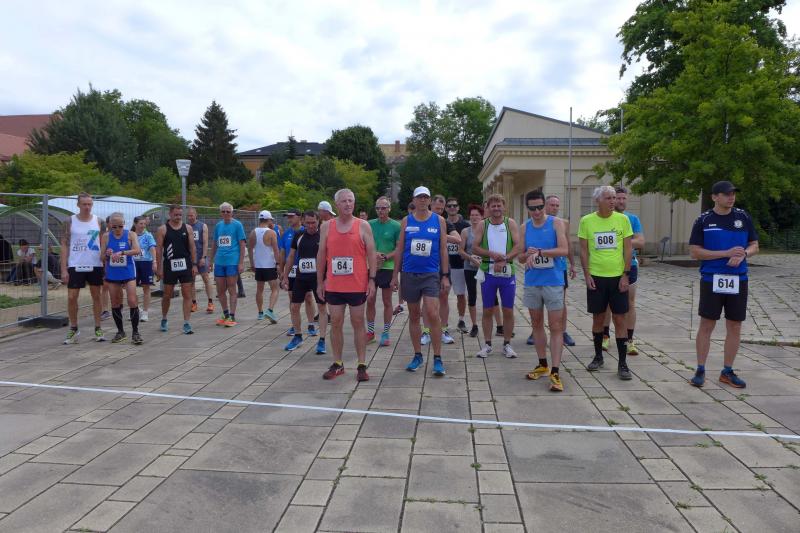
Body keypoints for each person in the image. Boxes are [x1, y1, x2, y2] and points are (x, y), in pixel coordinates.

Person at [689, 181, 758, 389]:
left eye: (733, 193)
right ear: (714, 197)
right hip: (712, 279)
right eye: (727, 194)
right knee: (707, 324)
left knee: (735, 325)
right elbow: (695, 252)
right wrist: (725, 253)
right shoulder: (703, 220)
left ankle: (727, 371)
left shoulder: (743, 217)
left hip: (739, 279)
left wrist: (744, 254)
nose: (731, 197)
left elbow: (754, 245)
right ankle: (700, 369)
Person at [318, 188, 376, 381]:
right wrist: (319, 281)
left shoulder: (363, 225)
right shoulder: (327, 226)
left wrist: (372, 279)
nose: (348, 204)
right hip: (334, 285)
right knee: (336, 322)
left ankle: (362, 364)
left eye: (351, 200)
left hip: (357, 284)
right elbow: (321, 255)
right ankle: (338, 363)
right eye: (344, 201)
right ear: (336, 204)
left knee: (358, 322)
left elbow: (371, 253)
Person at [391, 186, 450, 377]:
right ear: (414, 200)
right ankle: (417, 355)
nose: (423, 200)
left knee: (432, 313)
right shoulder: (406, 221)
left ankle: (438, 358)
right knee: (414, 315)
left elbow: (443, 249)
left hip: (431, 274)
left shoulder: (439, 220)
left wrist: (445, 275)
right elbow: (400, 249)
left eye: (426, 197)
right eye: (419, 197)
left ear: (430, 200)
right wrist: (395, 275)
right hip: (409, 273)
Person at [578, 185, 634, 380]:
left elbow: (628, 249)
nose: (613, 201)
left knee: (620, 319)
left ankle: (622, 363)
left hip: (617, 277)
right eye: (608, 198)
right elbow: (583, 250)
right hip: (597, 276)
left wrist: (626, 274)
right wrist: (587, 275)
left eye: (614, 198)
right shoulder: (586, 221)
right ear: (598, 201)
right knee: (598, 318)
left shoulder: (622, 220)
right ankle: (598, 357)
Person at [519, 191, 569, 391]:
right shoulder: (525, 227)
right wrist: (527, 255)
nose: (537, 211)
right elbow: (520, 257)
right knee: (536, 324)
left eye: (540, 207)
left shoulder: (556, 223)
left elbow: (564, 250)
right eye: (533, 208)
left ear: (544, 205)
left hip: (553, 282)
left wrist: (541, 252)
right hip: (532, 282)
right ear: (528, 208)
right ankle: (542, 364)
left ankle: (555, 371)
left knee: (556, 326)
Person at [473, 194, 521, 359]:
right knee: (487, 310)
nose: (496, 208)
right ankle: (487, 345)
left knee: (508, 310)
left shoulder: (510, 223)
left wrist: (505, 259)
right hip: (488, 271)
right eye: (493, 206)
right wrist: (492, 254)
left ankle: (507, 344)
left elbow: (518, 246)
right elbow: (475, 248)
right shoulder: (483, 224)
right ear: (488, 208)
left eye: (499, 205)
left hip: (507, 272)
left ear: (504, 207)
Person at [601, 186, 645, 355]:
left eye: (623, 198)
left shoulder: (632, 219)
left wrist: (621, 241)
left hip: (629, 265)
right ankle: (605, 336)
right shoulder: (604, 218)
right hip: (607, 265)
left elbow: (640, 241)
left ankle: (629, 339)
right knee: (606, 304)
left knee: (630, 303)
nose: (619, 201)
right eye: (616, 198)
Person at [61, 193, 106, 344]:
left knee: (96, 296)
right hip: (75, 264)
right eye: (84, 204)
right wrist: (63, 269)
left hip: (95, 264)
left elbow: (104, 243)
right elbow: (64, 245)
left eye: (89, 204)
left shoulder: (99, 221)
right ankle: (74, 328)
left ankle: (98, 327)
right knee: (72, 297)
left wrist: (105, 264)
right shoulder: (69, 221)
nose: (87, 207)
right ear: (78, 205)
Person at [282, 211, 328, 354]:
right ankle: (297, 336)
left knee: (322, 307)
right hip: (301, 276)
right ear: (303, 222)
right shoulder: (299, 235)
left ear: (318, 221)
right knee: (294, 306)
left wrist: (327, 278)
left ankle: (322, 340)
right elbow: (291, 256)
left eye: (313, 222)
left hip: (318, 278)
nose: (311, 226)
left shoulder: (323, 235)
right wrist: (285, 276)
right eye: (308, 223)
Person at [538, 194, 577, 347]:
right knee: (538, 300)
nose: (554, 208)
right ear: (545, 206)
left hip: (558, 268)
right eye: (552, 205)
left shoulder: (563, 223)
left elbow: (568, 244)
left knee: (560, 301)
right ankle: (536, 331)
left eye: (557, 205)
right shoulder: (537, 222)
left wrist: (572, 264)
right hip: (540, 267)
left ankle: (563, 331)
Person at [155, 205, 198, 334]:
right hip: (169, 265)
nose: (178, 217)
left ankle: (187, 322)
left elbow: (192, 247)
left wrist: (194, 264)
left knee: (187, 294)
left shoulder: (188, 228)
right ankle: (164, 318)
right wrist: (159, 268)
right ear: (170, 214)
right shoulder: (162, 229)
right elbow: (159, 250)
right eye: (176, 215)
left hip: (185, 264)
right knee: (167, 295)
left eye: (180, 215)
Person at [101, 212, 142, 344]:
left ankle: (135, 332)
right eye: (114, 227)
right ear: (110, 225)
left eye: (120, 226)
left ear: (124, 224)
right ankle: (120, 331)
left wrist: (123, 252)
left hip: (128, 271)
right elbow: (101, 257)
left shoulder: (131, 234)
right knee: (115, 302)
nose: (118, 229)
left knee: (132, 300)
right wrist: (107, 254)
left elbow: (137, 250)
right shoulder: (106, 236)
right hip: (113, 272)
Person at [427, 194, 461, 345]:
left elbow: (458, 239)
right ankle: (426, 331)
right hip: (426, 265)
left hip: (442, 265)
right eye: (437, 209)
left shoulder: (445, 222)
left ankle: (444, 329)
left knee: (444, 297)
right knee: (427, 300)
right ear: (431, 206)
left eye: (441, 209)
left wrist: (439, 235)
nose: (439, 212)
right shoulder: (423, 220)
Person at [367, 196, 401, 346]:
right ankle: (370, 332)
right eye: (378, 208)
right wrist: (374, 255)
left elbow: (399, 248)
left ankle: (386, 333)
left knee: (387, 301)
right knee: (370, 300)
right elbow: (363, 244)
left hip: (388, 267)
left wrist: (386, 257)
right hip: (371, 267)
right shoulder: (369, 224)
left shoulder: (396, 226)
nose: (380, 211)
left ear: (389, 209)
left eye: (383, 208)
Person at [281, 208, 319, 337]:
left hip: (308, 271)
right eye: (287, 217)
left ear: (299, 218)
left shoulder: (309, 231)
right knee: (293, 299)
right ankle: (295, 326)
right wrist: (282, 270)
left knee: (308, 297)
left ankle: (311, 324)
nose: (289, 219)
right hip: (293, 270)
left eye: (291, 216)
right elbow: (285, 253)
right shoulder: (287, 233)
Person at [209, 202, 246, 327]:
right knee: (220, 290)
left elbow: (242, 244)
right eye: (223, 211)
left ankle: (232, 315)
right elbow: (214, 244)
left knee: (231, 288)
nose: (225, 213)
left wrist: (241, 262)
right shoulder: (218, 226)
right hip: (219, 261)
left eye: (228, 211)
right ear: (220, 213)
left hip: (232, 261)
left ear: (232, 212)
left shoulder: (237, 225)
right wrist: (210, 260)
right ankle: (225, 314)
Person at [248, 210, 281, 323]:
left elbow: (250, 249)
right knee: (275, 289)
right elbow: (276, 250)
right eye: (271, 220)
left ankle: (260, 313)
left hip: (258, 265)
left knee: (259, 290)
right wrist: (278, 264)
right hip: (269, 265)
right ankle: (270, 310)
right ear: (268, 220)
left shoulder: (253, 232)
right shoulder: (271, 233)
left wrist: (252, 263)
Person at [445, 197, 471, 333]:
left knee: (461, 294)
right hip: (445, 266)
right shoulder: (441, 223)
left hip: (460, 265)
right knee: (443, 295)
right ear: (446, 208)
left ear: (458, 208)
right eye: (449, 206)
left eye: (454, 206)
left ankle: (461, 320)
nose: (452, 208)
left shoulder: (465, 225)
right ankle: (443, 322)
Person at [458, 204, 484, 337]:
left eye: (477, 215)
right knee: (472, 295)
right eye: (472, 215)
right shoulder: (465, 231)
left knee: (490, 295)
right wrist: (470, 258)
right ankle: (474, 325)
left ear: (482, 216)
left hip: (484, 267)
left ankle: (497, 325)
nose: (474, 217)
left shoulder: (486, 230)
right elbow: (460, 250)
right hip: (469, 267)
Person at [187, 208, 214, 314]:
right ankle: (194, 303)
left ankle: (210, 302)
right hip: (190, 258)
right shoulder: (186, 227)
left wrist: (203, 257)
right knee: (191, 281)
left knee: (206, 278)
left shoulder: (202, 226)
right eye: (188, 216)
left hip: (201, 256)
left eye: (192, 215)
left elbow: (205, 242)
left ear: (196, 215)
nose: (190, 217)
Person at [132, 216, 156, 322]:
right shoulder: (131, 235)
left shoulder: (148, 235)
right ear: (135, 224)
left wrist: (154, 261)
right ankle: (135, 309)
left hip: (146, 262)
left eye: (144, 224)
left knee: (146, 287)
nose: (143, 226)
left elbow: (152, 248)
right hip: (133, 263)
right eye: (141, 224)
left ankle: (145, 312)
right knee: (131, 288)